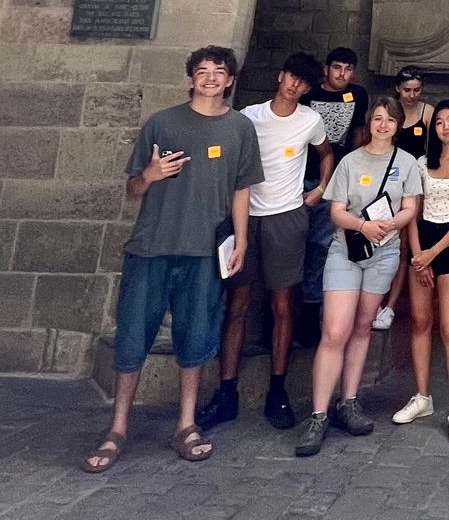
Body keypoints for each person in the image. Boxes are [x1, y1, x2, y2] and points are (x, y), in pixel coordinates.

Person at [84, 46, 262, 473]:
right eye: (202, 71)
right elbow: (132, 188)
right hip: (152, 246)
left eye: (219, 71)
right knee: (132, 337)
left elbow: (242, 188)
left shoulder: (240, 128)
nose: (210, 77)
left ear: (230, 79)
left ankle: (186, 424)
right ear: (190, 79)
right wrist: (150, 175)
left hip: (204, 252)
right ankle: (118, 428)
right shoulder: (162, 123)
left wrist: (241, 240)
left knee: (196, 337)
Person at [199, 54, 330, 433]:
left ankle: (277, 390)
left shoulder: (310, 120)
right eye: (292, 77)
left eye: (303, 82)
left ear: (307, 89)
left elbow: (326, 153)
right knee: (237, 303)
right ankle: (226, 392)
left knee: (283, 304)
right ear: (281, 75)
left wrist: (320, 188)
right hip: (245, 216)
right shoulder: (249, 116)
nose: (295, 85)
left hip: (286, 217)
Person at [296, 98, 424, 456]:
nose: (383, 125)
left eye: (390, 120)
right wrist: (363, 225)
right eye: (378, 118)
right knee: (335, 331)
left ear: (398, 125)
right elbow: (336, 212)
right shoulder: (350, 161)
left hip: (383, 253)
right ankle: (318, 415)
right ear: (370, 123)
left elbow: (411, 208)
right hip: (347, 250)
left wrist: (388, 225)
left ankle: (348, 401)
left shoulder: (407, 163)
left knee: (363, 326)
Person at [392, 100, 449, 443]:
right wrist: (419, 256)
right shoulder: (420, 163)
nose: (446, 126)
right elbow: (412, 212)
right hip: (423, 241)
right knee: (420, 321)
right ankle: (422, 396)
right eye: (440, 121)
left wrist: (433, 253)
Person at [299, 47, 370, 322]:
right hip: (301, 176)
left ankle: (310, 309)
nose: (342, 74)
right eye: (337, 67)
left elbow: (358, 133)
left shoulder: (358, 95)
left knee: (321, 246)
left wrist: (353, 174)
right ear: (326, 69)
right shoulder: (309, 94)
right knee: (295, 245)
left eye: (348, 69)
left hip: (335, 183)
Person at [373, 67, 434, 333]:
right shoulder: (388, 111)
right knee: (377, 240)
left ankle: (390, 306)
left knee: (403, 247)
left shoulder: (427, 113)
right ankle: (374, 301)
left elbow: (441, 145)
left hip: (412, 184)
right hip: (383, 183)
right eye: (407, 89)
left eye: (417, 90)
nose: (411, 95)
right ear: (397, 88)